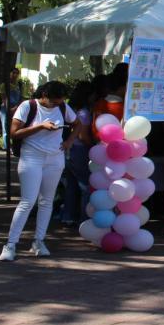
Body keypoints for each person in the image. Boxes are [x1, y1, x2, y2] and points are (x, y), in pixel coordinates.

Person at [0, 82, 81, 261]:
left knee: (47, 201)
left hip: (55, 158)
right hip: (31, 157)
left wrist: (69, 142)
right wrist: (40, 126)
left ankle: (39, 241)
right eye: (53, 101)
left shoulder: (63, 107)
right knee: (28, 201)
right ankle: (10, 244)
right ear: (44, 95)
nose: (56, 104)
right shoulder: (28, 106)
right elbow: (14, 133)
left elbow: (77, 124)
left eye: (59, 101)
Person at [60, 81, 94, 226]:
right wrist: (93, 146)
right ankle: (85, 218)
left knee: (71, 185)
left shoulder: (69, 109)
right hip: (79, 151)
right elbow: (83, 136)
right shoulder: (84, 113)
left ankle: (68, 216)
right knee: (85, 185)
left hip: (66, 150)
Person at [91, 70, 126, 142]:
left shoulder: (98, 103)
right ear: (122, 88)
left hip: (99, 143)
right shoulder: (124, 107)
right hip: (119, 146)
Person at [0, 67, 24, 149]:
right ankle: (7, 147)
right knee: (6, 128)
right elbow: (3, 98)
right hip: (6, 109)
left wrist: (16, 108)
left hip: (17, 108)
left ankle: (15, 146)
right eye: (13, 73)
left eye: (17, 73)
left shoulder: (19, 85)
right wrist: (9, 109)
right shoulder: (4, 85)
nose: (15, 75)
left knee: (16, 128)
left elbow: (21, 98)